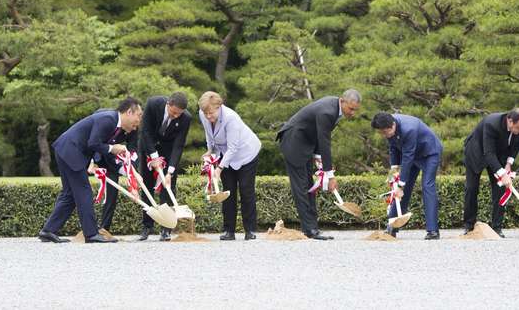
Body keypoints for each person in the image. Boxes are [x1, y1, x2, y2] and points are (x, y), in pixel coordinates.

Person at [39, 97, 142, 243]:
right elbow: (94, 143)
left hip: (67, 149)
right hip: (71, 150)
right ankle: (91, 234)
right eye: (138, 115)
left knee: (69, 194)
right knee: (84, 191)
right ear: (129, 112)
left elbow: (98, 146)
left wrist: (131, 172)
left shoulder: (115, 124)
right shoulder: (109, 119)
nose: (138, 122)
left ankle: (48, 231)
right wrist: (113, 148)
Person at [277, 90, 361, 240]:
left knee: (310, 187)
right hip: (293, 140)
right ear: (342, 101)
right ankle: (309, 230)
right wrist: (330, 175)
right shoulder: (328, 112)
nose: (353, 113)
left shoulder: (335, 108)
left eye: (356, 109)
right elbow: (324, 142)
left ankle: (312, 227)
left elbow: (317, 133)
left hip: (306, 143)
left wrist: (317, 157)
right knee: (301, 187)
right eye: (351, 108)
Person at [199, 91, 262, 240]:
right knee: (228, 192)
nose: (208, 116)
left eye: (211, 112)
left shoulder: (230, 118)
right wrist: (210, 151)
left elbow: (233, 148)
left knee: (246, 191)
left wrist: (219, 168)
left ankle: (250, 230)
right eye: (205, 113)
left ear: (219, 106)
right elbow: (209, 134)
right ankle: (229, 231)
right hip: (224, 154)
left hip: (246, 153)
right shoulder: (203, 114)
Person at [371, 112, 444, 240]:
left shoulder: (409, 129)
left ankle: (433, 231)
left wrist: (401, 184)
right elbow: (393, 149)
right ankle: (392, 226)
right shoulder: (387, 126)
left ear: (393, 125)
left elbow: (407, 157)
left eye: (385, 132)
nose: (384, 135)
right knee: (401, 190)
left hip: (429, 153)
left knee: (427, 186)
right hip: (412, 156)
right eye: (381, 132)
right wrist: (394, 172)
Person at [462, 108, 519, 238]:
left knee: (500, 189)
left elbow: (516, 146)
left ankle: (497, 227)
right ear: (510, 121)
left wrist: (508, 164)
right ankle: (469, 226)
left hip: (499, 155)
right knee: (471, 188)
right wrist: (502, 174)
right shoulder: (491, 124)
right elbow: (489, 153)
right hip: (477, 152)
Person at [137, 92, 192, 241]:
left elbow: (179, 145)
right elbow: (145, 131)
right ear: (168, 104)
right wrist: (153, 156)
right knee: (147, 185)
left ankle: (166, 229)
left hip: (168, 151)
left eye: (178, 114)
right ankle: (147, 227)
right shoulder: (153, 104)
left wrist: (170, 171)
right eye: (173, 112)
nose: (175, 116)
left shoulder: (186, 118)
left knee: (168, 188)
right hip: (148, 147)